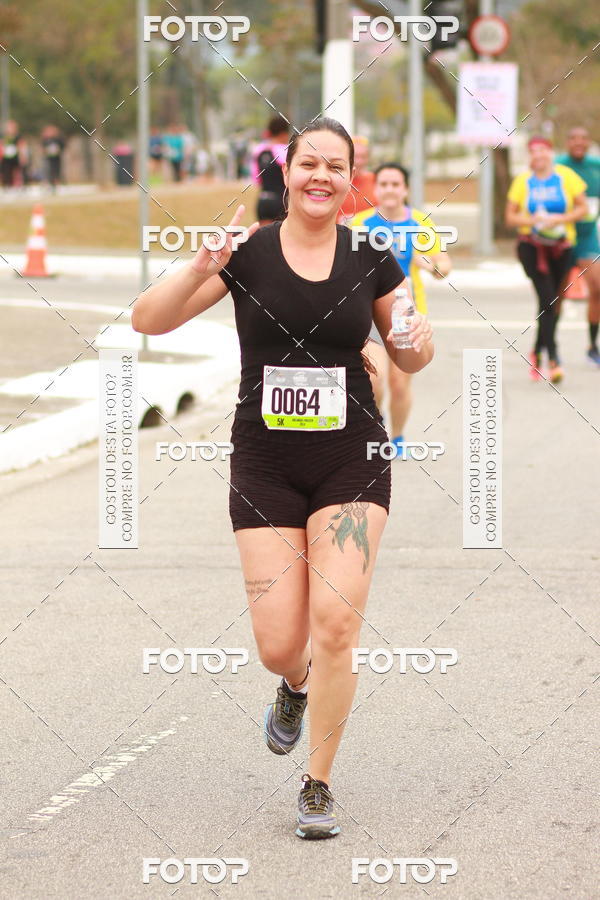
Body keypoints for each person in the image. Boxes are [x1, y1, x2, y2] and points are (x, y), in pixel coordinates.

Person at [131, 117, 434, 840]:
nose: (321, 176)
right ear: (287, 172)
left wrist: (417, 342)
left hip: (351, 459)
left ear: (352, 180)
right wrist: (197, 267)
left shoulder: (371, 255)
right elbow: (148, 320)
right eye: (309, 164)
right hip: (264, 461)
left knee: (336, 624)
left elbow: (410, 351)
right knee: (279, 642)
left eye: (336, 165)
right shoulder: (250, 253)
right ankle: (294, 685)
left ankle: (319, 784)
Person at [351, 162, 451, 455]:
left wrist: (428, 263)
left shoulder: (420, 223)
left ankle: (397, 437)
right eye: (384, 184)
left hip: (407, 314)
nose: (390, 190)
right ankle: (375, 430)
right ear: (376, 188)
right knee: (373, 378)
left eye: (396, 184)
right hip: (367, 313)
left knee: (399, 382)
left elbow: (444, 266)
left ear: (405, 189)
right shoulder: (359, 224)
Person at [505, 136, 588, 383]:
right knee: (548, 298)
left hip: (561, 246)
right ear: (530, 156)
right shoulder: (523, 181)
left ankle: (536, 351)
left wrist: (559, 219)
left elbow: (583, 209)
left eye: (542, 150)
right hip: (532, 246)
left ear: (550, 153)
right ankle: (553, 358)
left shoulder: (566, 177)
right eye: (533, 152)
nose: (538, 155)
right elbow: (510, 217)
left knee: (552, 300)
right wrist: (534, 220)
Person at [556, 127, 600, 367]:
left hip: (587, 237)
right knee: (556, 294)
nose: (579, 143)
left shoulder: (596, 166)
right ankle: (550, 347)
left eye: (583, 139)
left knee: (598, 287)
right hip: (561, 238)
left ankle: (592, 346)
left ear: (589, 142)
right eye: (574, 138)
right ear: (567, 142)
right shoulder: (558, 166)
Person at [250, 115, 289, 225]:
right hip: (281, 202)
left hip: (263, 201)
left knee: (265, 239)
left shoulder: (258, 150)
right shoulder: (285, 151)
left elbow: (256, 179)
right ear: (283, 133)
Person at [338, 135, 376, 225]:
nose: (359, 161)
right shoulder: (336, 180)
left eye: (363, 157)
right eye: (355, 156)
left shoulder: (376, 181)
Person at [1, 120, 26, 188]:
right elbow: (2, 145)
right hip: (6, 157)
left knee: (17, 172)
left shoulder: (18, 136)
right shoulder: (3, 136)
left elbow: (21, 146)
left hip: (15, 157)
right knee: (6, 172)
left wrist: (22, 156)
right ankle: (8, 186)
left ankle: (18, 185)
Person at [41, 125, 65, 190]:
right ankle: (47, 184)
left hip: (56, 158)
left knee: (56, 171)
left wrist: (57, 150)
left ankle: (57, 184)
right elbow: (43, 148)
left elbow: (62, 147)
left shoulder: (58, 139)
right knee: (47, 171)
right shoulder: (45, 140)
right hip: (48, 158)